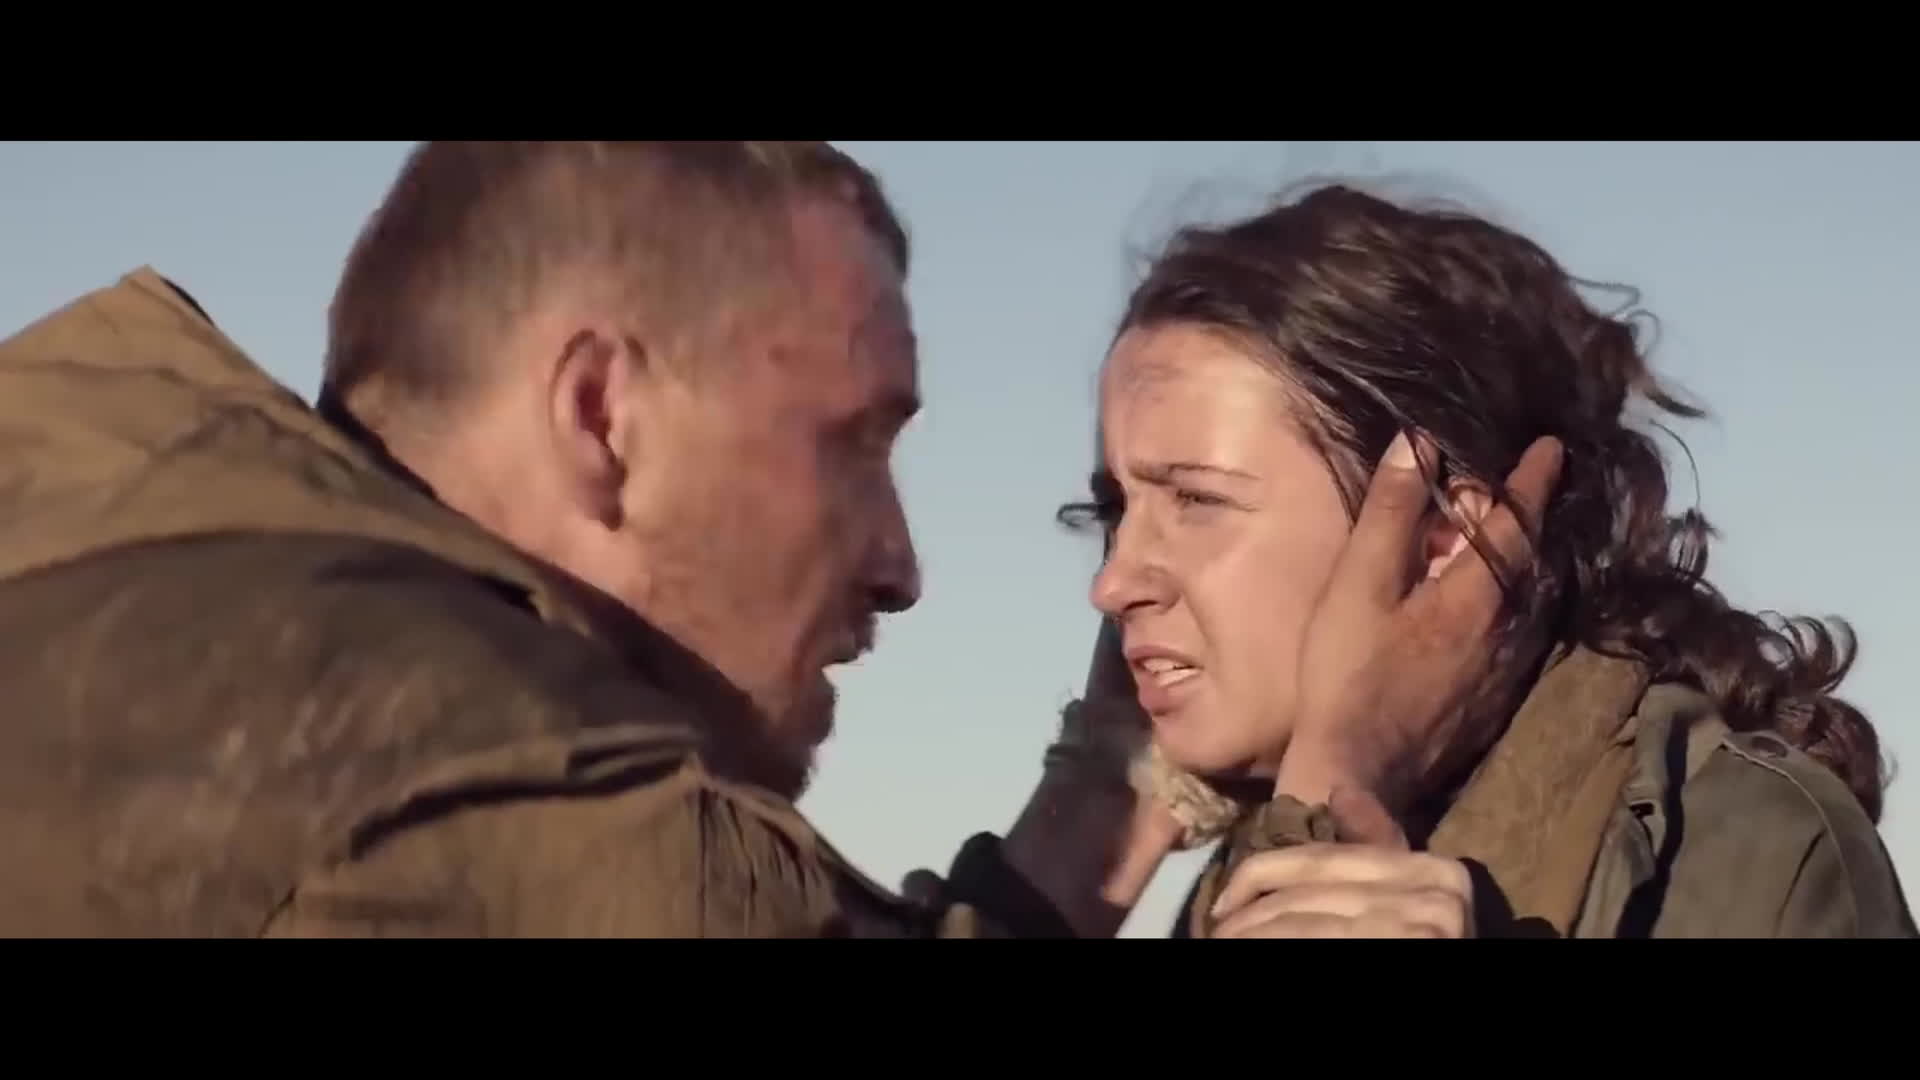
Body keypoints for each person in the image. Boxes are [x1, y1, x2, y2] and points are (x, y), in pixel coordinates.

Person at [0, 142, 1543, 937]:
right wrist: (1336, 794)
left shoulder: (118, 582)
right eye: (852, 444)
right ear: (603, 416)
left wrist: (1114, 793)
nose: (900, 564)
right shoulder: (452, 791)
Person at [1064, 180, 1917, 938]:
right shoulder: (1247, 861)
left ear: (1441, 539)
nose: (1113, 583)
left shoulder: (1745, 850)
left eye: (1197, 501)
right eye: (1116, 510)